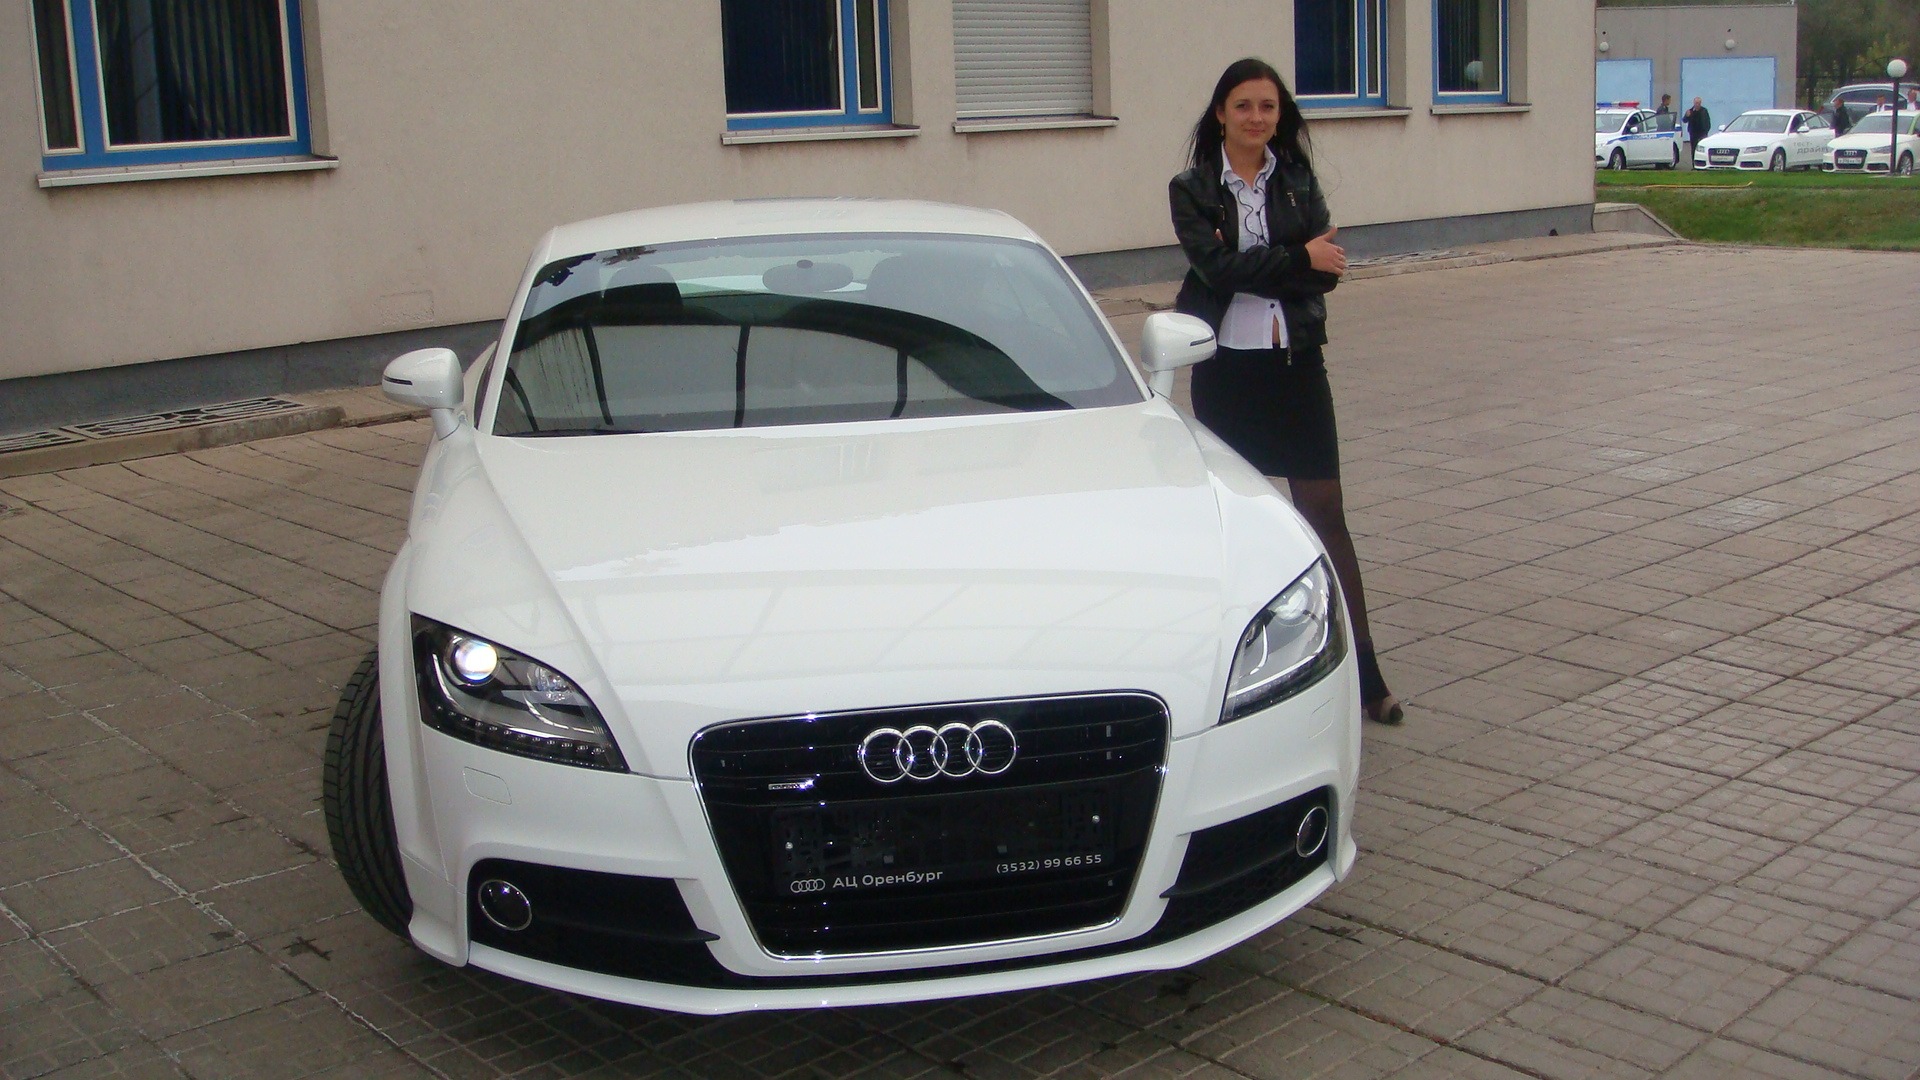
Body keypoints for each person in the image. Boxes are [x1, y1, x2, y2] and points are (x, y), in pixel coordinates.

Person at [1167, 57, 1402, 726]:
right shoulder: (1192, 188)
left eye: (1267, 107)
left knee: (1326, 515)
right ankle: (1240, 680)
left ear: (1279, 116)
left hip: (1296, 365)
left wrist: (1263, 265)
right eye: (1243, 105)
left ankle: (1366, 677)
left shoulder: (1297, 181)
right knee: (1238, 527)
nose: (1256, 117)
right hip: (1226, 373)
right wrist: (1296, 257)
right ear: (1221, 113)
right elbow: (1217, 269)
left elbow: (1326, 274)